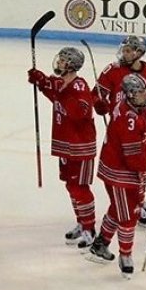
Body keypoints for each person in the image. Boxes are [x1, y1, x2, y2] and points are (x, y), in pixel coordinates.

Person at [86, 74, 146, 278]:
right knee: (129, 216)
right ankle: (125, 256)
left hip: (116, 170)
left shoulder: (130, 109)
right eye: (142, 92)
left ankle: (100, 245)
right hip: (121, 175)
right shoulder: (129, 119)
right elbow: (133, 158)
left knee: (118, 209)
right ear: (131, 95)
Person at [27, 48, 98, 248]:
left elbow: (80, 112)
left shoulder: (79, 86)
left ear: (71, 65)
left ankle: (89, 228)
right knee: (70, 185)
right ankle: (81, 222)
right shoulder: (64, 84)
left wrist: (61, 93)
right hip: (66, 145)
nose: (58, 64)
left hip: (80, 147)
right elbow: (54, 91)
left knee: (80, 187)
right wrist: (40, 80)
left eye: (62, 62)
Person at [92, 35, 146, 228]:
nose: (123, 53)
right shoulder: (112, 71)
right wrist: (99, 103)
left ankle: (138, 201)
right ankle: (134, 205)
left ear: (139, 53)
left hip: (142, 128)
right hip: (120, 129)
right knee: (126, 165)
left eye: (128, 50)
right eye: (123, 49)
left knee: (142, 164)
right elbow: (97, 93)